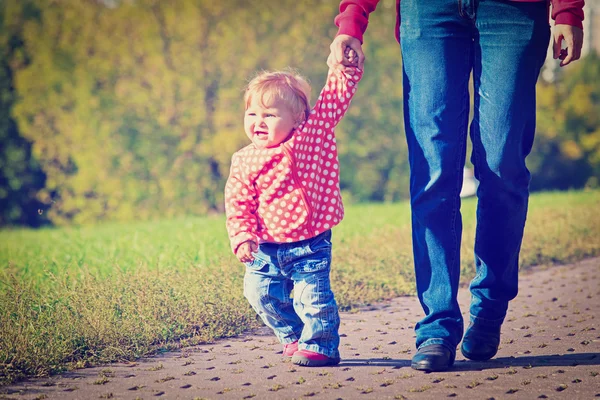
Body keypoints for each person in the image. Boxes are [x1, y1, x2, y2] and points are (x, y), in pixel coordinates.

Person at [328, 0, 584, 372]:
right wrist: (352, 19)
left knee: (502, 164)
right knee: (432, 170)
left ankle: (491, 304)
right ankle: (437, 326)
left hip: (513, 12)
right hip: (429, 12)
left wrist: (567, 10)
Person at [224, 49, 362, 367]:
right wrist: (243, 236)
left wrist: (345, 69)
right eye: (252, 114)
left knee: (310, 297)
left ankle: (321, 345)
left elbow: (333, 101)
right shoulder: (244, 159)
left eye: (270, 115)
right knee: (259, 293)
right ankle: (294, 337)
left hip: (309, 242)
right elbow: (237, 202)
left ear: (298, 118)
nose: (259, 122)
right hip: (265, 248)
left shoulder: (309, 139)